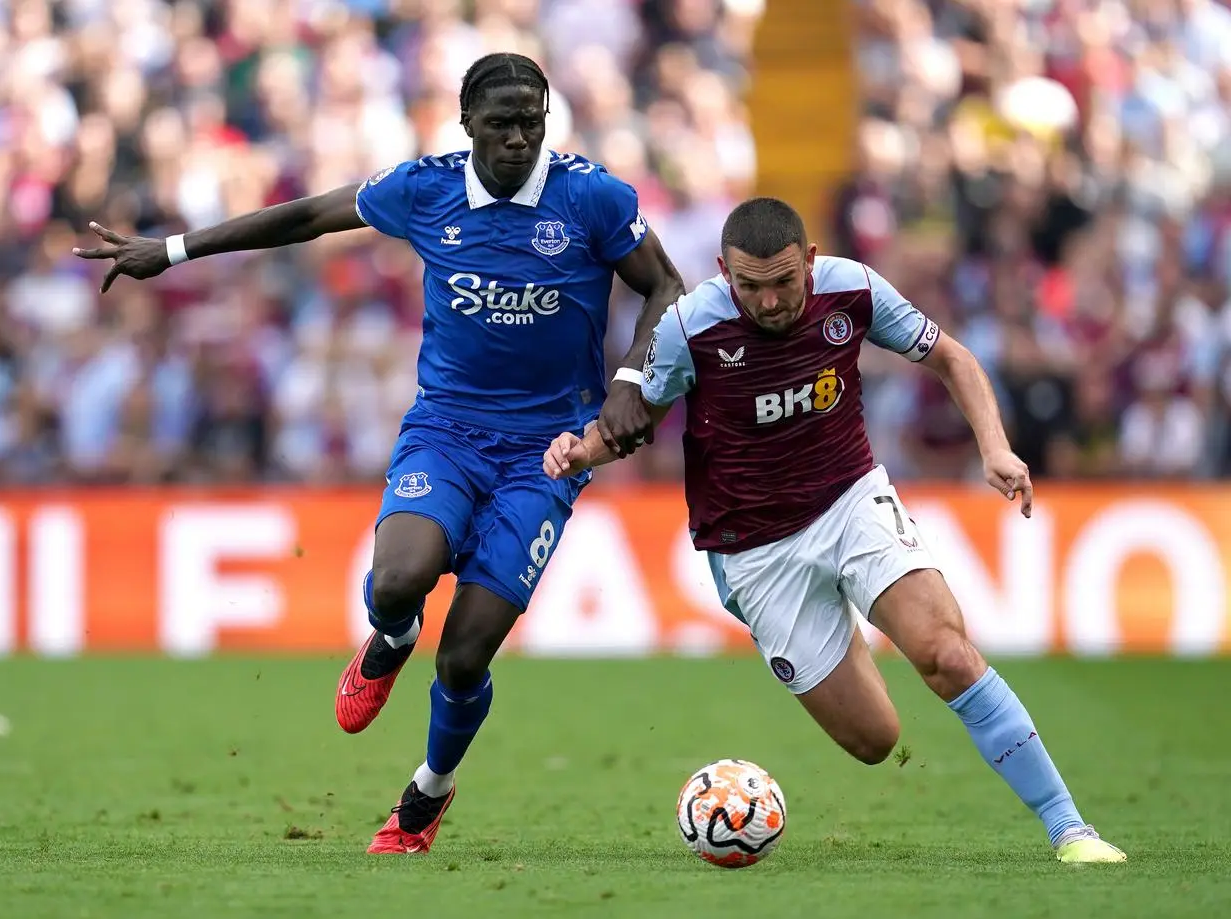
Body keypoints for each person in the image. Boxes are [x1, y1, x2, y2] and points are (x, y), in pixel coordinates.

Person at [75, 52, 686, 854]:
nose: (515, 140)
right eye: (499, 124)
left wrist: (634, 378)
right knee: (398, 579)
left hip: (549, 450)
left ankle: (426, 794)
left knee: (466, 657)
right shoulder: (425, 189)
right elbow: (307, 218)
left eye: (530, 123)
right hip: (448, 427)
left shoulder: (592, 197)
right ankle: (391, 638)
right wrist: (177, 249)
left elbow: (666, 285)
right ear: (465, 124)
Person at [542, 197, 1126, 864]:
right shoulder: (688, 326)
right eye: (750, 286)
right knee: (875, 739)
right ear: (722, 272)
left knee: (947, 653)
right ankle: (842, 618)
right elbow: (633, 420)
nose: (768, 301)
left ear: (811, 261)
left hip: (851, 500)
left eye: (784, 282)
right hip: (755, 551)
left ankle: (1069, 828)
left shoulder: (853, 289)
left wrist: (994, 447)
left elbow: (954, 358)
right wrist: (577, 450)